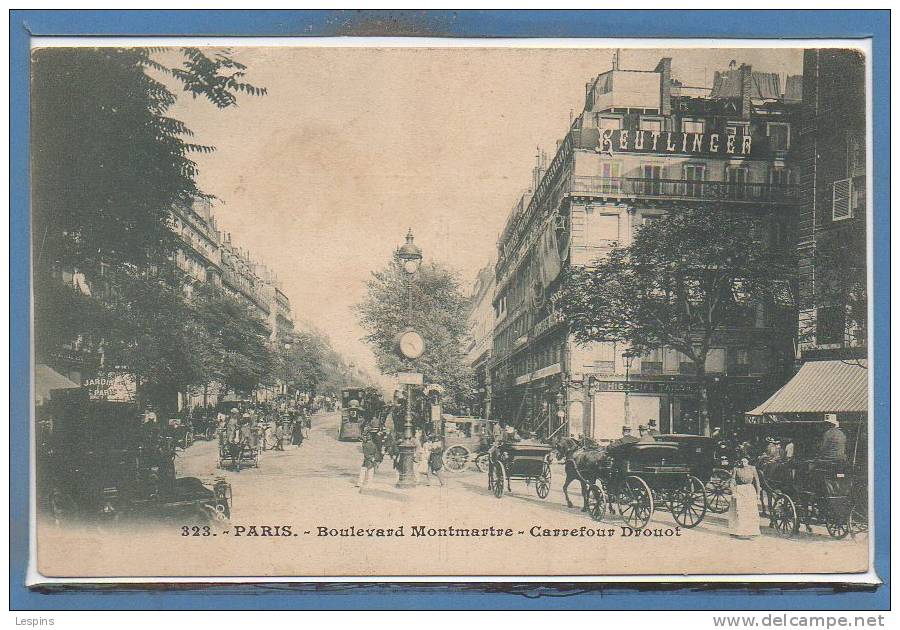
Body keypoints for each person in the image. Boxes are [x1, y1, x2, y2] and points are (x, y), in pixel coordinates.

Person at [728, 457, 761, 539]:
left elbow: (757, 481)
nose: (743, 463)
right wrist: (733, 492)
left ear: (748, 461)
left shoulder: (752, 469)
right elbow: (732, 481)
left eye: (745, 461)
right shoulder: (736, 469)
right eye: (742, 461)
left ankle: (751, 532)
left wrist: (758, 493)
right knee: (740, 511)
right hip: (739, 490)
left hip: (750, 490)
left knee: (750, 511)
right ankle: (737, 531)